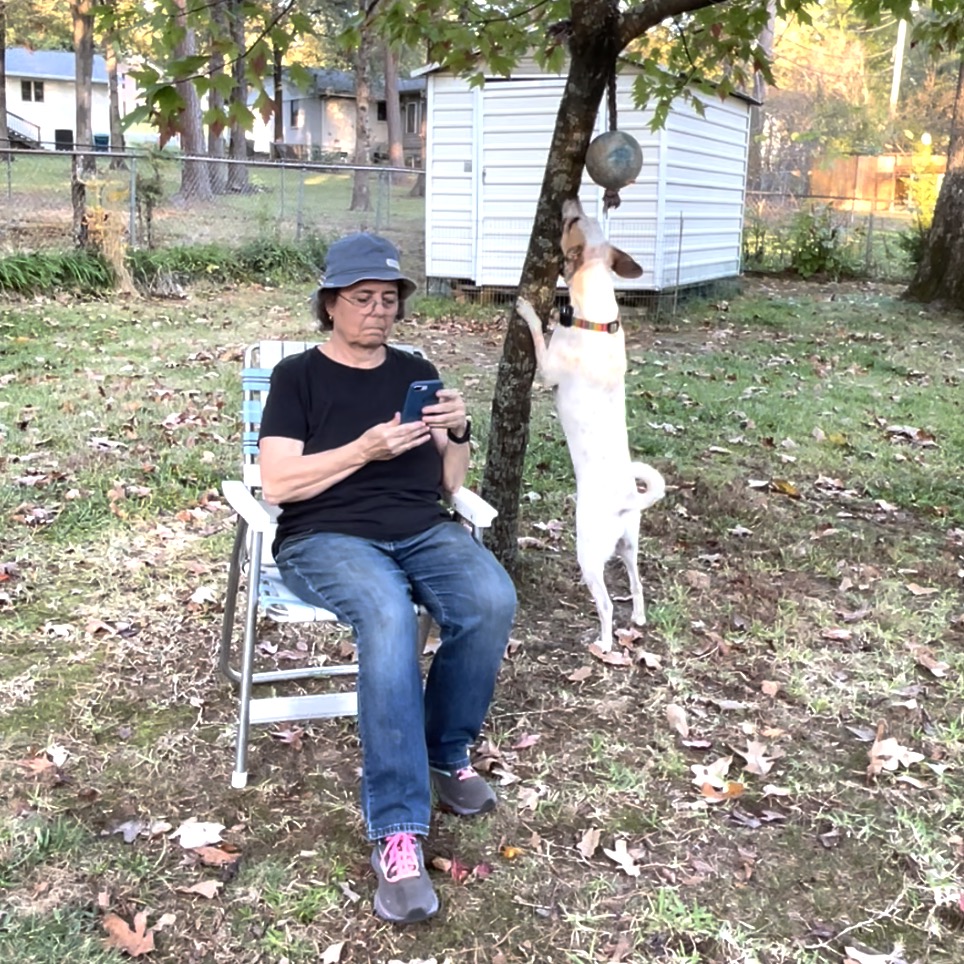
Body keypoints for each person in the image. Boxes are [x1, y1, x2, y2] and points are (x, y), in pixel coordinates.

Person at [257, 232, 517, 924]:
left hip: (421, 525)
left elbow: (450, 482)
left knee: (491, 598)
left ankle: (443, 750)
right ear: (330, 304)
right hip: (326, 535)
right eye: (362, 298)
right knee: (388, 616)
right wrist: (362, 449)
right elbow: (278, 480)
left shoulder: (414, 370)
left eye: (389, 298)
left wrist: (455, 435)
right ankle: (397, 830)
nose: (379, 311)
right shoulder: (297, 378)